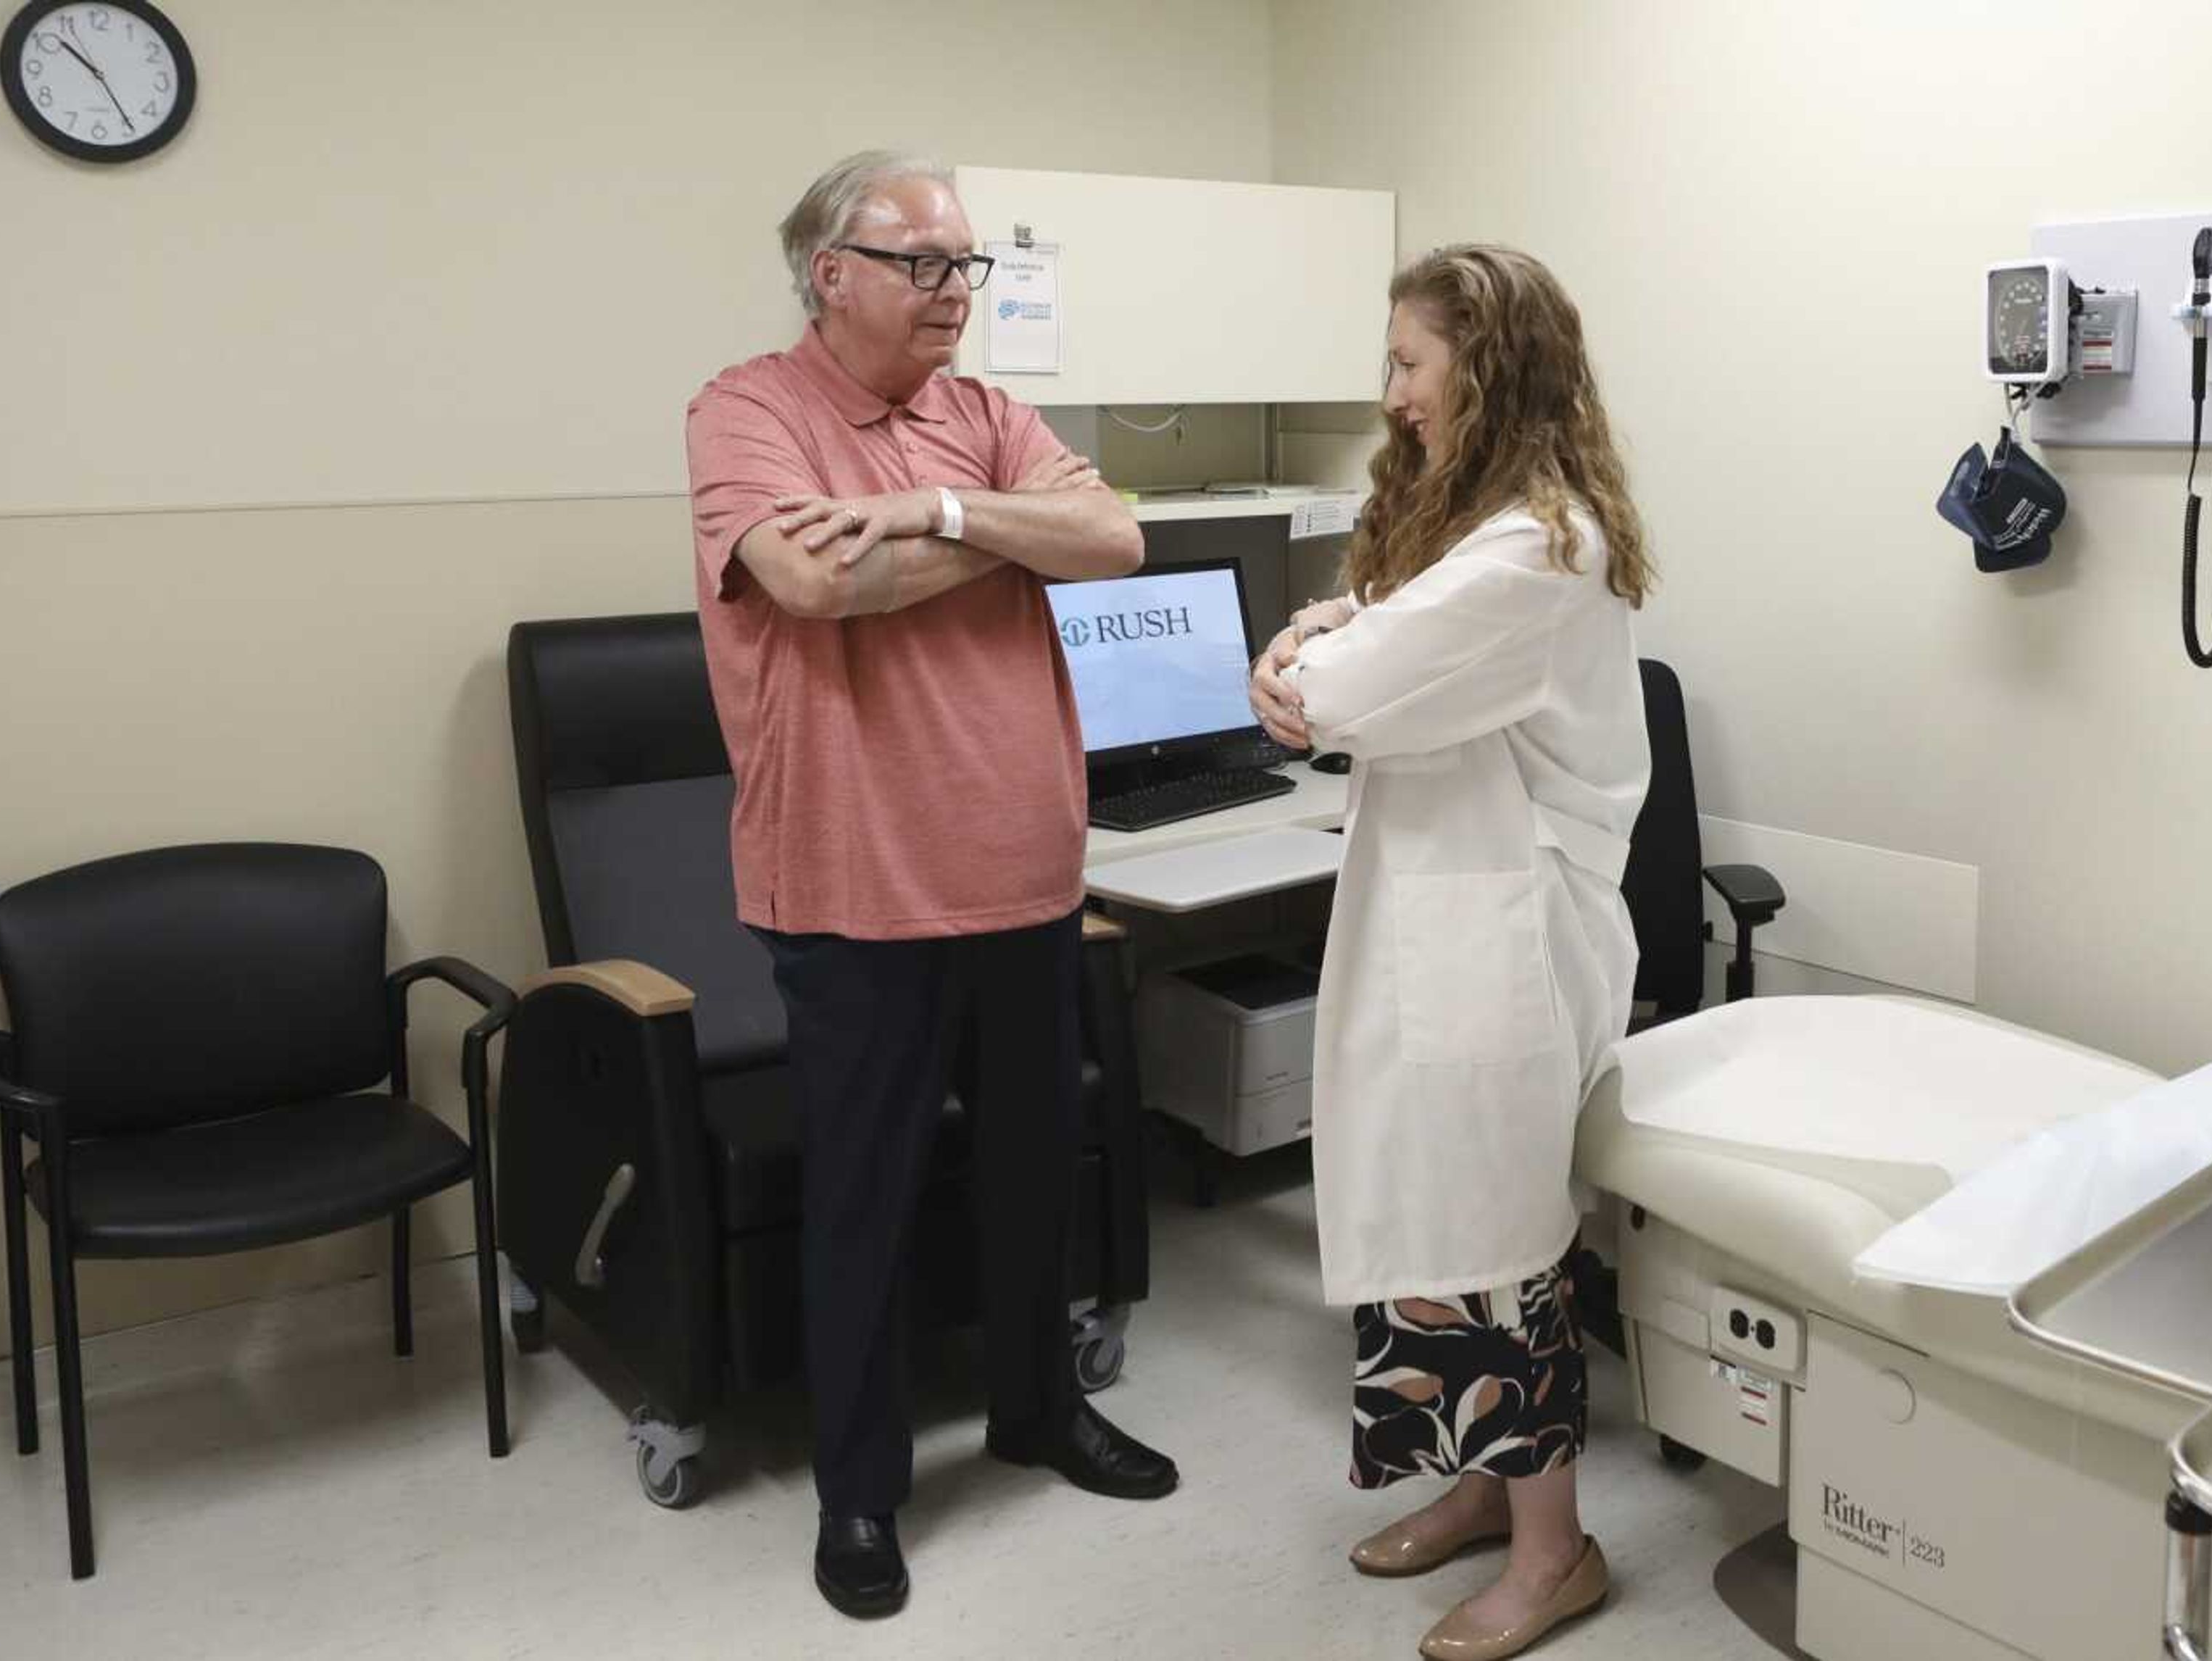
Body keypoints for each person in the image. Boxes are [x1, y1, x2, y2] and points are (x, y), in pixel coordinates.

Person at [683, 149, 1178, 1623]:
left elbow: (1119, 537)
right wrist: (1008, 540)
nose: (958, 293)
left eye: (969, 267)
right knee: (866, 1205)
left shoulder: (983, 414)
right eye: (926, 265)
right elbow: (818, 586)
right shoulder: (746, 411)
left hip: (1024, 868)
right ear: (831, 272)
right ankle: (860, 1494)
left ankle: (1037, 1409)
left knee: (1038, 1175)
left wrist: (936, 517)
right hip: (852, 887)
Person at [1250, 245, 1654, 1661]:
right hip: (1447, 918)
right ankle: (1487, 1490)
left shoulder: (1539, 550)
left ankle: (1557, 1553)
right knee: (1437, 1221)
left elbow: (1341, 686)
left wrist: (1308, 653)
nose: (1395, 392)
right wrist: (1323, 641)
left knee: (1495, 1245)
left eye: (1412, 363)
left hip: (1504, 942)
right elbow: (1364, 642)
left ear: (1486, 367)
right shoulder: (1496, 533)